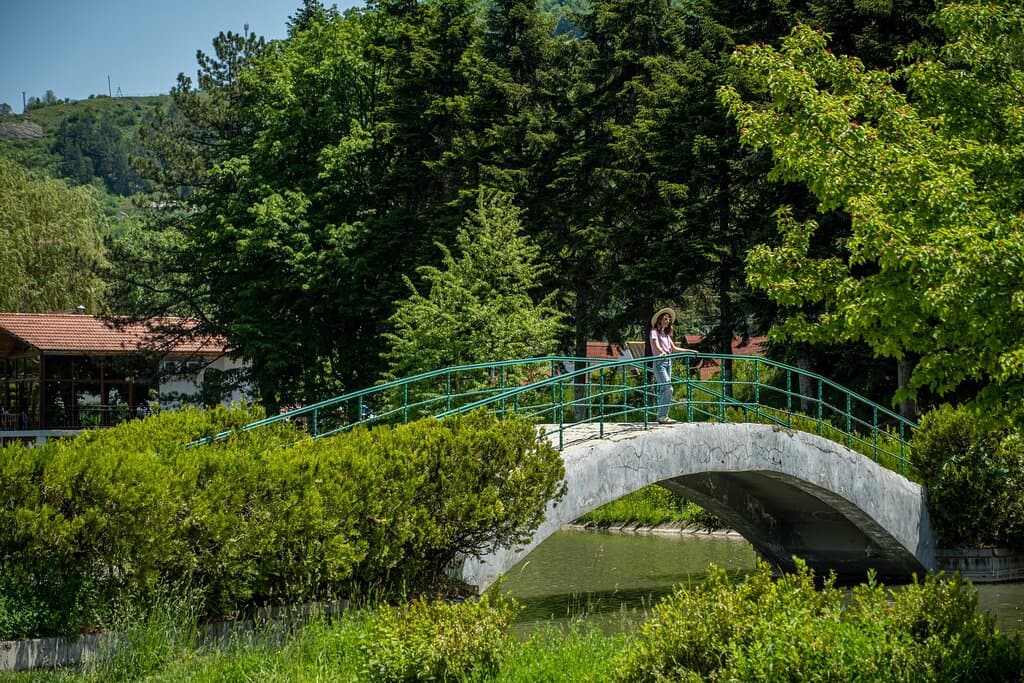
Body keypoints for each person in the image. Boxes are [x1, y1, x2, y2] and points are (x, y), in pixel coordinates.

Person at [645, 307, 695, 424]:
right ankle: (662, 416)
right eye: (665, 319)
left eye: (669, 319)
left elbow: (674, 348)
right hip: (659, 362)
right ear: (660, 320)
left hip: (668, 362)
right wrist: (661, 351)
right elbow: (655, 343)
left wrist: (690, 351)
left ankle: (662, 416)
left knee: (665, 389)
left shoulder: (666, 335)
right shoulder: (654, 332)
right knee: (668, 388)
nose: (668, 321)